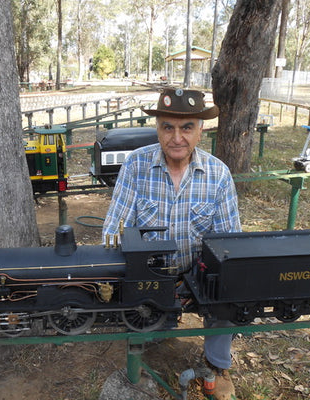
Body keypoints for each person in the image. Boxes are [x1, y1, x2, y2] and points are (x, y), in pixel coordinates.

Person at [102, 88, 241, 400]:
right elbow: (113, 229)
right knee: (143, 322)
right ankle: (150, 339)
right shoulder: (136, 166)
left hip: (197, 271)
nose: (177, 137)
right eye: (168, 127)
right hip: (151, 273)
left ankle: (218, 365)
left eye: (187, 127)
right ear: (158, 129)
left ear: (200, 130)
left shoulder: (218, 174)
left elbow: (229, 243)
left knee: (229, 287)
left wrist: (214, 277)